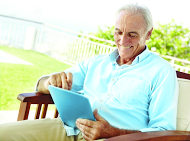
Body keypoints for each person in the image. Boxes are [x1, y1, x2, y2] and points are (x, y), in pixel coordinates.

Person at [0, 3, 178, 141]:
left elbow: (164, 132)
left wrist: (112, 132)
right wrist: (49, 82)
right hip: (68, 129)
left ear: (148, 34)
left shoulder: (162, 72)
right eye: (118, 32)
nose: (123, 40)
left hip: (114, 139)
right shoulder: (96, 62)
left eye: (132, 34)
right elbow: (42, 84)